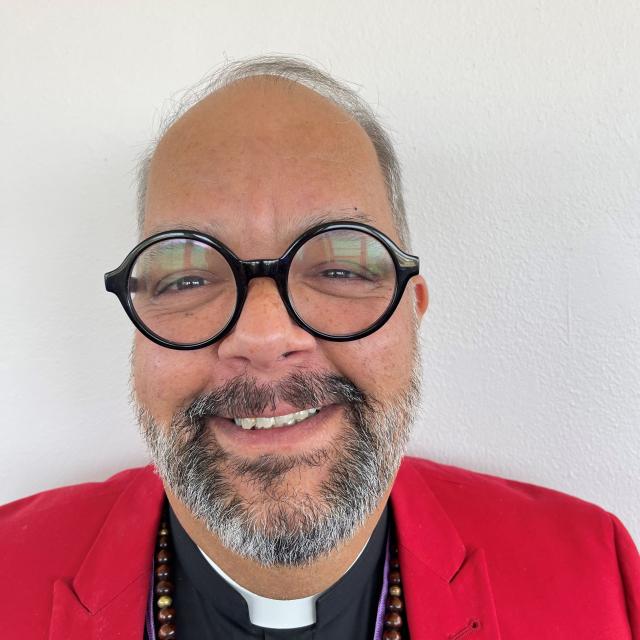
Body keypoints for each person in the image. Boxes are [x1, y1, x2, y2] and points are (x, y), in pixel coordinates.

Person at [1, 56, 638, 640]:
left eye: (340, 268)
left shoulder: (598, 580)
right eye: (188, 277)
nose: (264, 336)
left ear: (412, 312)